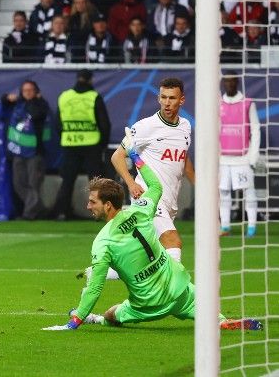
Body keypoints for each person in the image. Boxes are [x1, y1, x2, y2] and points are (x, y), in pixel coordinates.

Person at [42, 133, 262, 331]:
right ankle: (221, 320)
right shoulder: (141, 210)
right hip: (178, 288)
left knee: (113, 314)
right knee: (199, 302)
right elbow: (156, 187)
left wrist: (74, 321)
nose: (88, 206)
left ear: (108, 205)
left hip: (149, 304)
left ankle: (95, 319)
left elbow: (95, 288)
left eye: (92, 202)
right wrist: (136, 157)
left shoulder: (103, 241)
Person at [108, 77, 194, 281]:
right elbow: (117, 156)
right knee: (173, 241)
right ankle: (178, 291)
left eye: (172, 98)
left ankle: (102, 273)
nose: (167, 102)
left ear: (181, 100)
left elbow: (183, 157)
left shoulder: (186, 126)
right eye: (163, 97)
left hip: (170, 199)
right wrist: (131, 183)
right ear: (158, 98)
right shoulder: (146, 126)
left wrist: (197, 182)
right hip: (149, 197)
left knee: (148, 255)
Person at [51, 69, 110, 220]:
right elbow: (104, 123)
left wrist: (68, 136)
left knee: (67, 180)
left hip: (70, 144)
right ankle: (100, 214)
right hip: (92, 144)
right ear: (90, 80)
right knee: (96, 182)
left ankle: (63, 213)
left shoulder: (65, 96)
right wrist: (102, 144)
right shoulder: (93, 97)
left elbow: (57, 123)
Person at [2, 80, 51, 219]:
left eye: (30, 90)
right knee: (18, 183)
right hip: (18, 151)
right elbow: (3, 102)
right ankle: (40, 208)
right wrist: (7, 97)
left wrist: (33, 100)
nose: (28, 93)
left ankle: (29, 214)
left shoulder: (41, 104)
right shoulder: (18, 104)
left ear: (36, 91)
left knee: (34, 184)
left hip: (35, 152)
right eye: (25, 90)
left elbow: (36, 114)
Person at [219, 75, 260, 237]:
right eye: (226, 81)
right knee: (223, 192)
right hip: (223, 159)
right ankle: (225, 226)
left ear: (237, 82)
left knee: (248, 191)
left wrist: (253, 157)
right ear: (223, 83)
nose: (229, 84)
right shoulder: (218, 104)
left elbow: (256, 130)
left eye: (232, 81)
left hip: (243, 158)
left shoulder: (248, 103)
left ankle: (251, 227)